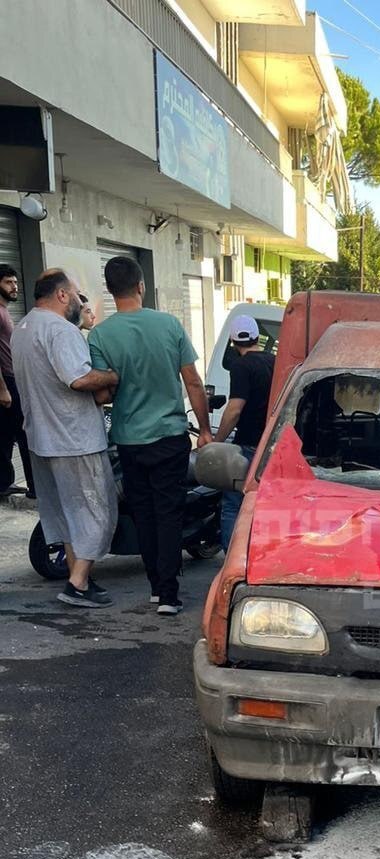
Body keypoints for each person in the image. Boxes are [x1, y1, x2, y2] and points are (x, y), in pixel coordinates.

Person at [88, 256, 211, 615]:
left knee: (143, 514)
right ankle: (169, 596)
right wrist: (204, 430)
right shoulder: (169, 324)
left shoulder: (100, 335)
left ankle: (157, 587)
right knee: (169, 512)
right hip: (170, 436)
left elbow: (102, 393)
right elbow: (192, 381)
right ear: (141, 285)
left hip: (128, 438)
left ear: (110, 291)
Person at [11, 270, 118, 607]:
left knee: (67, 513)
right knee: (97, 510)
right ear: (61, 295)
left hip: (40, 438)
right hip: (74, 439)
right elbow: (78, 378)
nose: (79, 301)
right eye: (77, 294)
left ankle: (82, 579)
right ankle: (76, 583)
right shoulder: (61, 330)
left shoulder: (24, 328)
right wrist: (113, 375)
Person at [210, 314, 275, 550]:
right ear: (258, 336)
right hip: (272, 446)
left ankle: (232, 559)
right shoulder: (274, 361)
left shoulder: (240, 366)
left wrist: (217, 442)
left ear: (233, 342)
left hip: (248, 445)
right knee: (264, 504)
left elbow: (234, 409)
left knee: (233, 504)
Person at [0, 263, 34, 496]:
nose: (15, 287)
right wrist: (3, 389)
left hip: (13, 380)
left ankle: (4, 483)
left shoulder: (4, 311)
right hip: (7, 382)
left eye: (15, 282)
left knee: (8, 434)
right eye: (8, 282)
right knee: (20, 433)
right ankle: (32, 486)